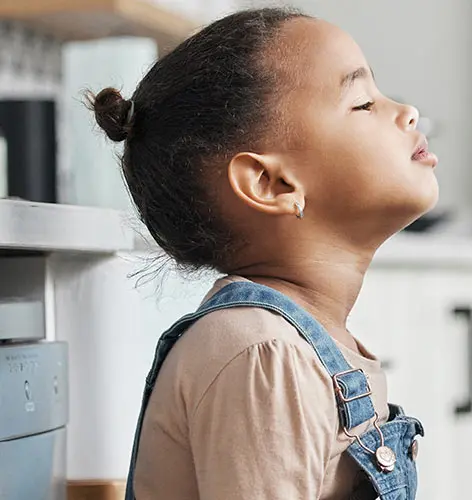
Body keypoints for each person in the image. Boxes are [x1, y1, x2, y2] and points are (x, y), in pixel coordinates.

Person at [87, 8, 436, 500]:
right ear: (270, 183)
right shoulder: (262, 354)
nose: (407, 112)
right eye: (362, 102)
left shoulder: (302, 348)